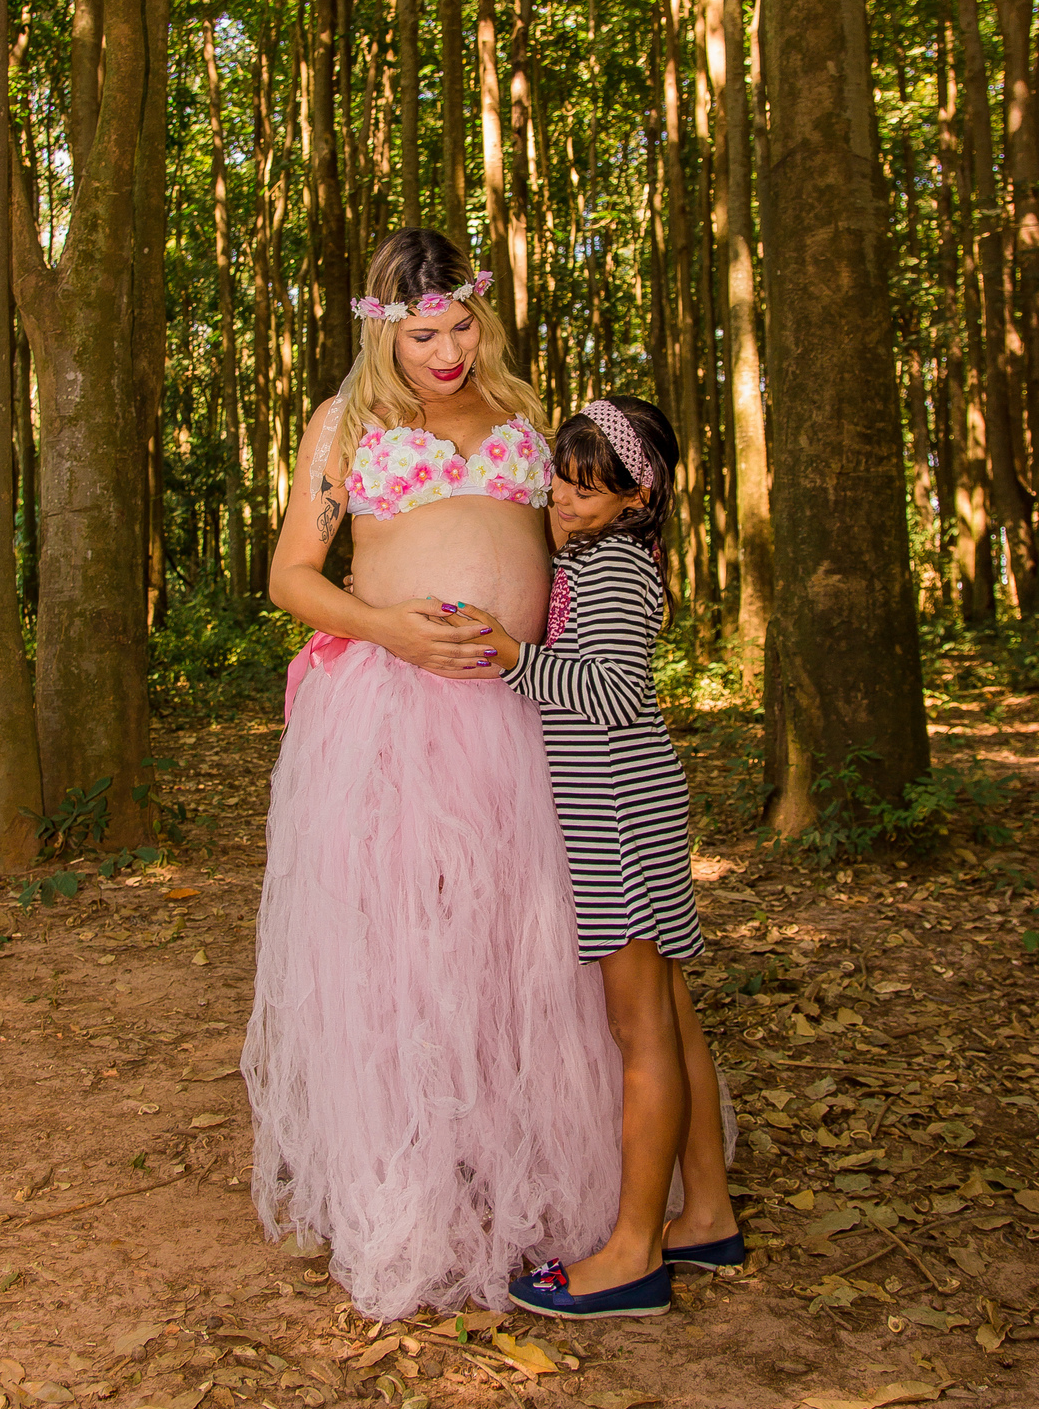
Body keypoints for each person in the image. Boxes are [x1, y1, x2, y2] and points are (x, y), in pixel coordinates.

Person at [240, 229, 623, 1322]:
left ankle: (518, 1183)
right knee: (403, 947)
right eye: (422, 335)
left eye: (460, 327)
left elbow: (572, 543)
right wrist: (389, 629)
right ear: (382, 331)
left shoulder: (524, 417)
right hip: (391, 707)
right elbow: (292, 577)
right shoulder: (348, 422)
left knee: (513, 947)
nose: (446, 352)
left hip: (512, 710)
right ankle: (410, 1193)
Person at [453, 396, 741, 1320]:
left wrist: (511, 654)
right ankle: (707, 1215)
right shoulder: (600, 556)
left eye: (588, 489)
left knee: (638, 1030)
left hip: (618, 815)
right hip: (626, 805)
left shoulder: (612, 566)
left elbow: (613, 692)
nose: (566, 500)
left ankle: (633, 1254)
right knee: (670, 1013)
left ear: (636, 497)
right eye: (561, 482)